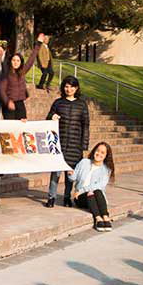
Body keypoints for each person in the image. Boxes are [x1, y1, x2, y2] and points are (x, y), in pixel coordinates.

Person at [45, 76, 90, 208]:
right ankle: (51, 197)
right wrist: (51, 117)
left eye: (71, 87)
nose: (68, 89)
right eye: (66, 86)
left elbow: (86, 125)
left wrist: (84, 145)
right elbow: (48, 118)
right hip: (59, 143)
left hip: (75, 145)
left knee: (70, 175)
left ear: (76, 88)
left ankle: (66, 197)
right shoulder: (58, 103)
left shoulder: (82, 104)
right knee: (55, 173)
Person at [68, 142, 115, 232]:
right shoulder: (84, 162)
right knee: (91, 193)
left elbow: (100, 185)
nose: (99, 154)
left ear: (106, 156)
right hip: (80, 197)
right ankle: (98, 219)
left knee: (97, 190)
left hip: (96, 197)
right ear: (94, 151)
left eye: (102, 153)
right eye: (98, 151)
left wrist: (82, 190)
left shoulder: (106, 170)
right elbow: (73, 178)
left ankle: (105, 217)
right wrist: (71, 174)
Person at [0, 34, 42, 121]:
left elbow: (31, 59)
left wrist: (38, 43)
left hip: (20, 103)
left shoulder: (23, 71)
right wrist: (7, 102)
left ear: (21, 62)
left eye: (18, 60)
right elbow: (1, 89)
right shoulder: (6, 72)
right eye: (14, 60)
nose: (15, 62)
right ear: (11, 61)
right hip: (9, 103)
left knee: (23, 124)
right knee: (11, 127)